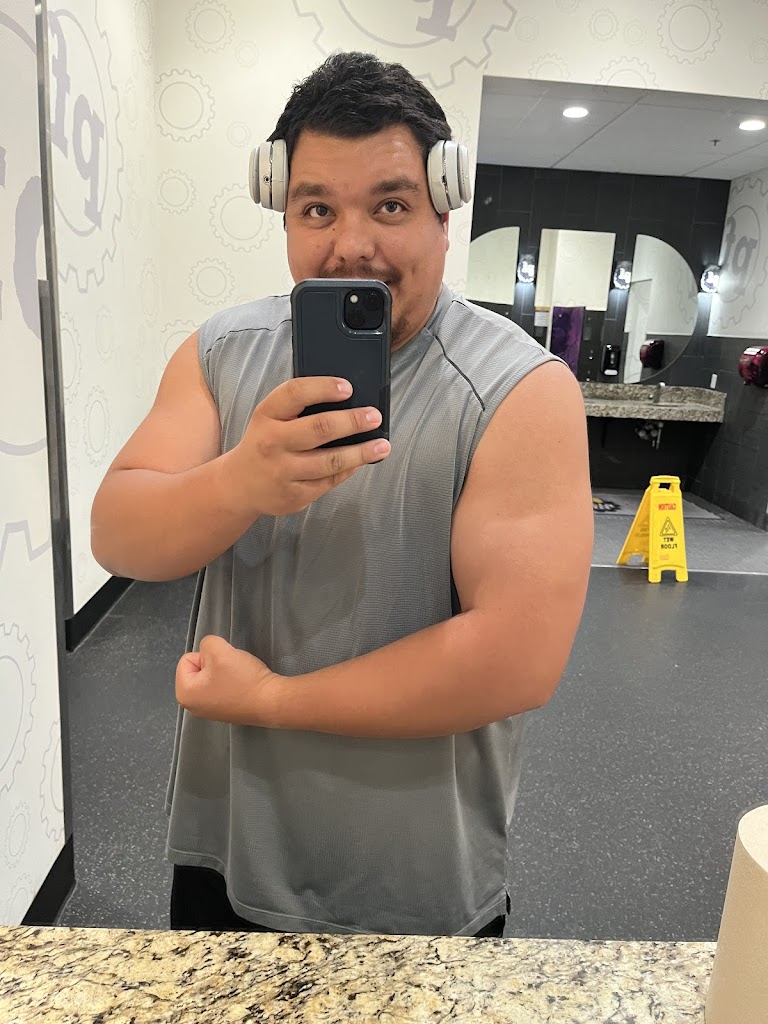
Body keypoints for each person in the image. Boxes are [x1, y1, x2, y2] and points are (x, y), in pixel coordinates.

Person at [91, 51, 593, 939]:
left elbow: (516, 658)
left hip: (416, 881)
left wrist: (271, 701)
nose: (351, 244)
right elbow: (118, 536)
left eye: (390, 205)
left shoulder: (520, 389)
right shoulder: (220, 353)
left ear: (445, 211)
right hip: (229, 853)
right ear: (283, 213)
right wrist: (240, 480)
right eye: (317, 208)